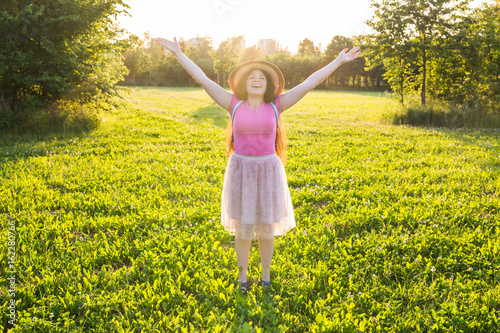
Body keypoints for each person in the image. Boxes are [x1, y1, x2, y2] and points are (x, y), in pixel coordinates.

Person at [155, 37, 360, 294]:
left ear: (267, 86)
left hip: (268, 170)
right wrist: (178, 53)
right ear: (243, 82)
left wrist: (338, 61)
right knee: (242, 229)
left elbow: (309, 83)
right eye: (251, 76)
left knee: (265, 230)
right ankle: (242, 279)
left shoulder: (276, 106)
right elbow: (203, 79)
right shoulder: (233, 104)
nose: (256, 79)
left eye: (261, 78)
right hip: (241, 171)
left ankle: (265, 277)